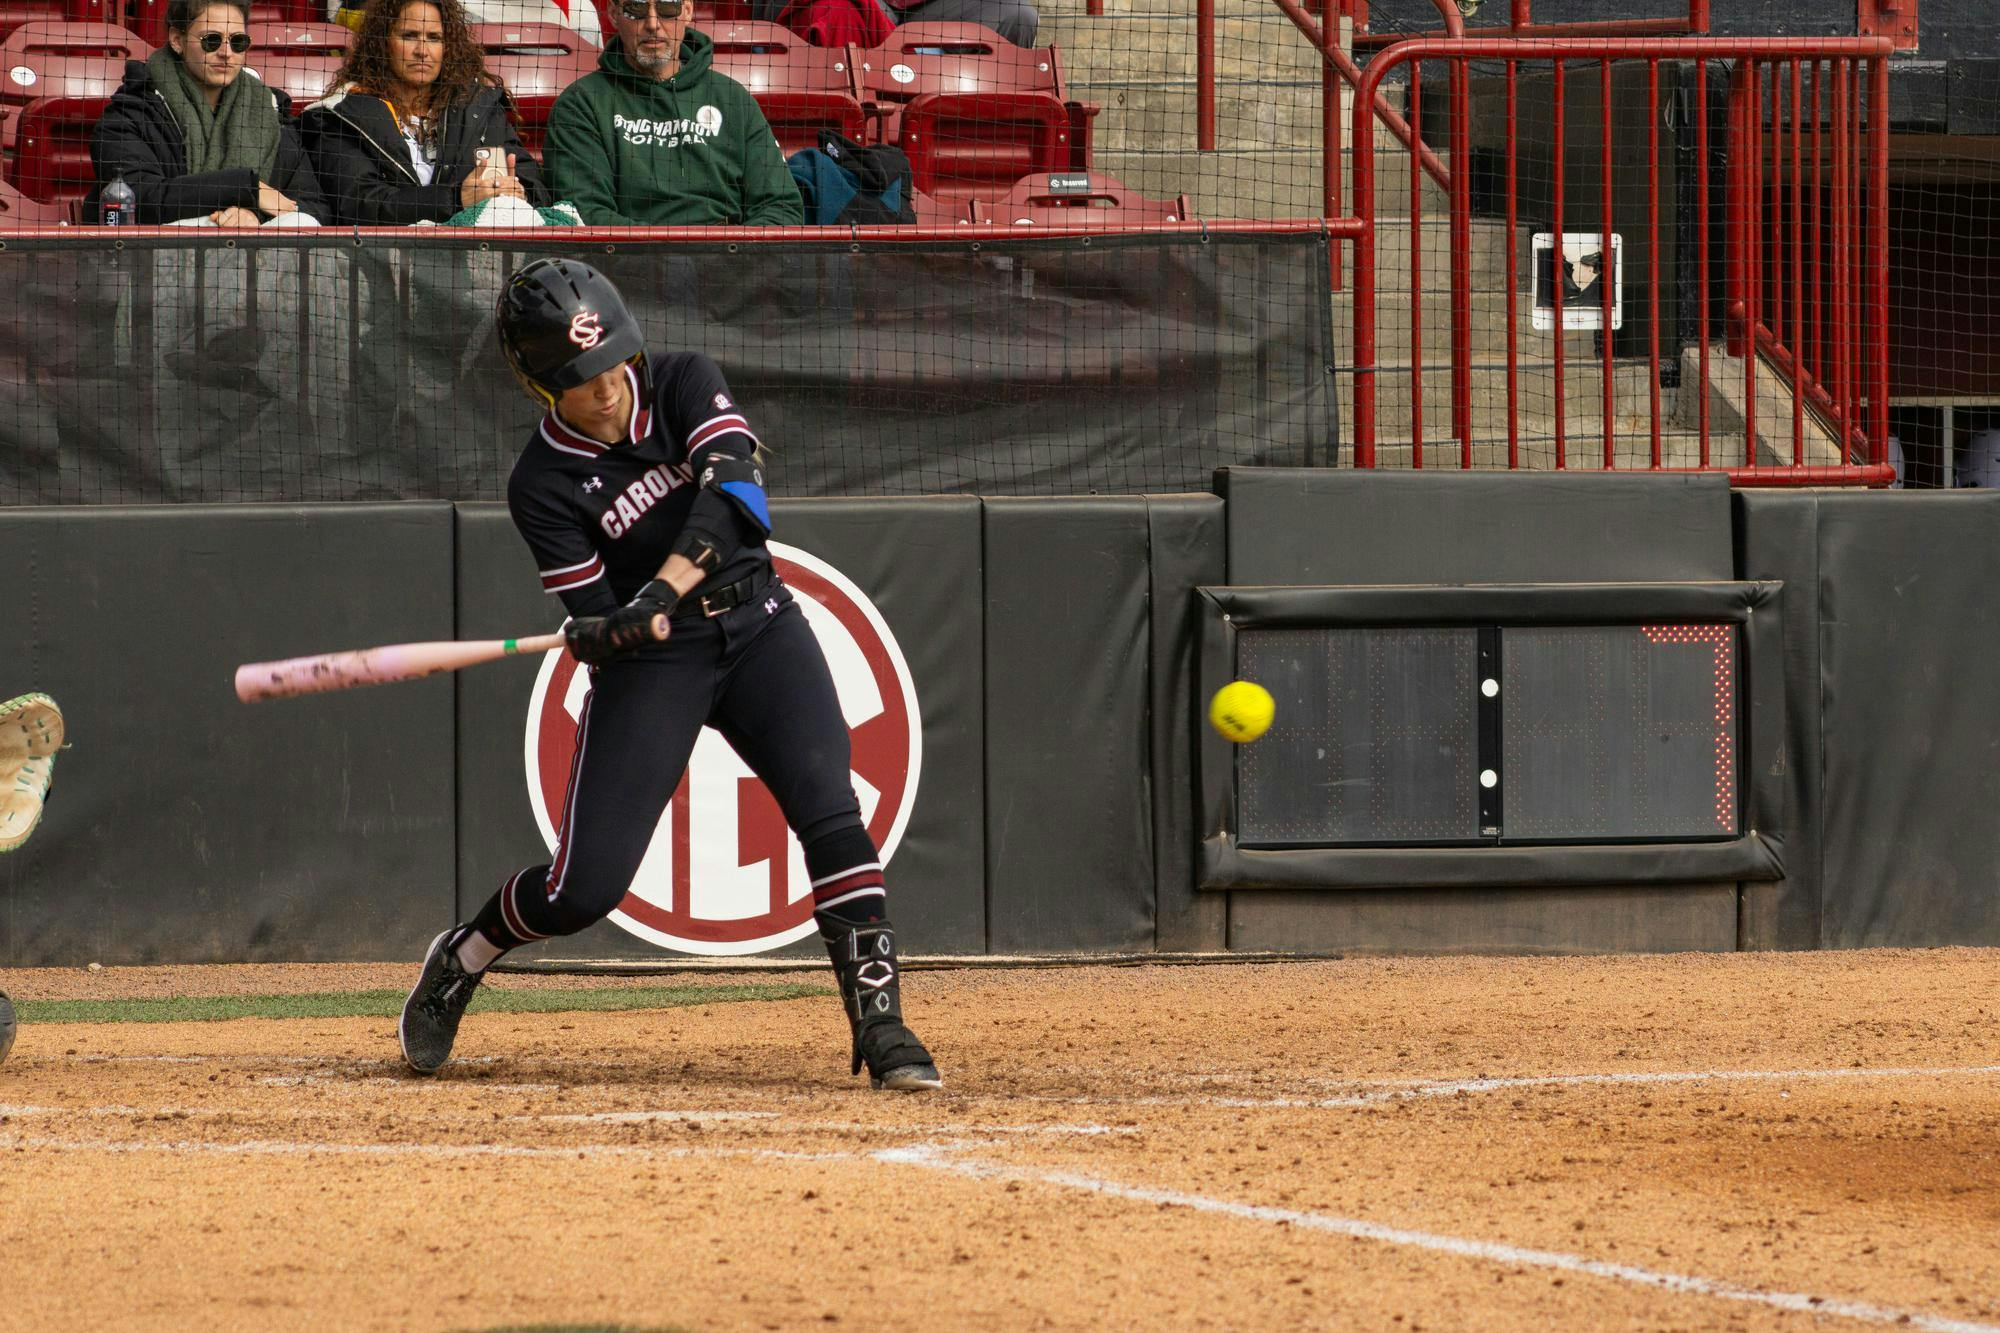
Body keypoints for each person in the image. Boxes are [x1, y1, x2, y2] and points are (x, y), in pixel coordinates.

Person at [398, 257, 940, 1093]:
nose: (607, 387)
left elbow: (738, 496)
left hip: (759, 623)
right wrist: (605, 631)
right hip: (660, 661)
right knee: (583, 890)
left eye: (612, 360)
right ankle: (465, 952)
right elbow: (597, 605)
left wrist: (659, 588)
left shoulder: (684, 379)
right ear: (542, 387)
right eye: (579, 378)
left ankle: (884, 1027)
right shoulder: (540, 482)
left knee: (833, 812)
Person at [542, 0, 804, 226]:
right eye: (636, 8)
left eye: (668, 7)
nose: (653, 23)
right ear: (613, 13)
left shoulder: (733, 98)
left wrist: (729, 257)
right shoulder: (580, 103)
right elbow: (586, 214)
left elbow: (781, 207)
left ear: (688, 10)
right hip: (626, 268)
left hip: (730, 266)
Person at [302, 0, 552, 226]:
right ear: (382, 43)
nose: (422, 50)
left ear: (448, 47)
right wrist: (456, 200)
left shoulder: (477, 107)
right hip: (379, 261)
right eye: (409, 36)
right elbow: (359, 204)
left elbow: (534, 185)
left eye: (434, 38)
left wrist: (519, 192)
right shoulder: (342, 114)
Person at [89, 0, 326, 226]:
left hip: (257, 261)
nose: (226, 52)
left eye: (238, 41)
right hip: (156, 259)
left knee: (301, 223)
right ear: (177, 40)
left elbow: (315, 207)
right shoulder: (127, 116)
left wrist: (253, 216)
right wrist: (244, 188)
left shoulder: (270, 113)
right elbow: (137, 198)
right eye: (211, 40)